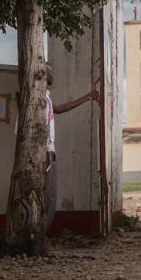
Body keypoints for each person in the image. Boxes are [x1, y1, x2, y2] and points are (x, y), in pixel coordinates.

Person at [44, 64, 99, 232]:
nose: (50, 75)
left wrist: (87, 97)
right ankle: (41, 233)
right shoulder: (39, 100)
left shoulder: (46, 100)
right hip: (44, 154)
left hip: (48, 152)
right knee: (49, 196)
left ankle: (41, 232)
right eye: (47, 72)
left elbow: (58, 109)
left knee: (48, 196)